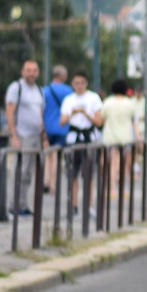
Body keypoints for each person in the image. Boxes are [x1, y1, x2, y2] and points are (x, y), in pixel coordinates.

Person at [3, 59, 46, 217]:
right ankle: (13, 205)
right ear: (22, 71)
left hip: (35, 135)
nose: (31, 73)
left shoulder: (39, 90)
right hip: (22, 134)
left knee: (28, 172)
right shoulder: (16, 88)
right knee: (19, 170)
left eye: (34, 70)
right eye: (28, 70)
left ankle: (23, 204)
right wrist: (14, 135)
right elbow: (9, 112)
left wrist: (44, 136)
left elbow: (40, 114)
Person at [59, 70, 104, 215]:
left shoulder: (93, 98)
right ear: (72, 84)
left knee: (89, 174)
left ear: (86, 83)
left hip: (88, 138)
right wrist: (74, 112)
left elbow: (99, 121)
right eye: (76, 83)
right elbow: (62, 121)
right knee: (72, 174)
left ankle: (88, 205)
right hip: (73, 139)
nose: (79, 86)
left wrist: (85, 113)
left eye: (82, 83)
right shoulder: (68, 100)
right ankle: (73, 206)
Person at [99, 78, 138, 197]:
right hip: (125, 138)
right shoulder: (130, 103)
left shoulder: (107, 102)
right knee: (124, 165)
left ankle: (111, 189)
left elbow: (101, 120)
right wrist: (138, 138)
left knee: (112, 165)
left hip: (110, 137)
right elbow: (134, 123)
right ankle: (122, 189)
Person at [42, 64, 72, 195]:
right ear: (63, 76)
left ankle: (46, 180)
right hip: (61, 128)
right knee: (55, 156)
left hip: (46, 127)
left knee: (47, 154)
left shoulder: (44, 90)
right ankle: (53, 184)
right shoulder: (68, 91)